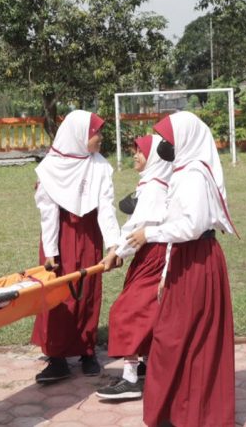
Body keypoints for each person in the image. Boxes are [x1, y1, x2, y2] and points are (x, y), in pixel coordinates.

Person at [125, 111, 235, 427]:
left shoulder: (194, 175)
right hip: (185, 260)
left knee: (181, 338)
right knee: (182, 338)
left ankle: (195, 414)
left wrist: (150, 234)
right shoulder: (184, 171)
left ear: (186, 139)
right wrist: (164, 274)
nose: (164, 146)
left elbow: (191, 226)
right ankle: (182, 410)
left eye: (169, 140)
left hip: (198, 260)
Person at [31, 110, 121, 384]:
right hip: (60, 240)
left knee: (88, 292)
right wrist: (51, 253)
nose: (100, 138)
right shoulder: (49, 169)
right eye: (95, 133)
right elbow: (48, 215)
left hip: (89, 237)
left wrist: (114, 245)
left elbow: (106, 208)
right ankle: (56, 358)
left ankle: (87, 350)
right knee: (58, 296)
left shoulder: (100, 166)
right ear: (79, 136)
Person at [96, 135, 172, 401]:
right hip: (148, 254)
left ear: (154, 157)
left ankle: (130, 378)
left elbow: (135, 228)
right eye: (135, 151)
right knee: (147, 313)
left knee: (126, 311)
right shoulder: (152, 183)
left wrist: (117, 253)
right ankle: (147, 369)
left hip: (154, 255)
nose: (135, 156)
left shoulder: (154, 187)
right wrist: (118, 252)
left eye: (140, 151)